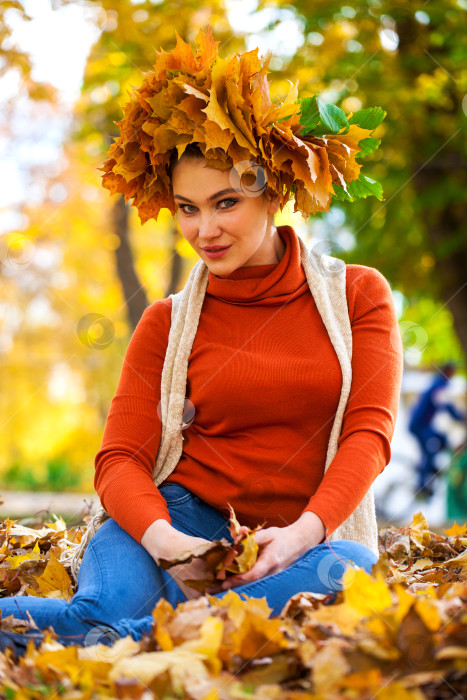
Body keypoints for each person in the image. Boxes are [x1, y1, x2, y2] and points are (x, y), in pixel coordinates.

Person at [0, 27, 403, 656]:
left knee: (350, 570)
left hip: (305, 541)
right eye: (188, 208)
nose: (204, 230)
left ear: (272, 191)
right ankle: (150, 633)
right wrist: (166, 542)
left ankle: (137, 640)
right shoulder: (166, 322)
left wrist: (298, 537)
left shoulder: (358, 296)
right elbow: (120, 460)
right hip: (178, 518)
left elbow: (369, 433)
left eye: (225, 202)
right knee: (101, 609)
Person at [408, 363, 465, 497]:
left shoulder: (438, 384)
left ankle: (429, 468)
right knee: (431, 449)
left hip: (423, 425)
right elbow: (445, 405)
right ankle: (421, 485)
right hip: (419, 426)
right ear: (447, 371)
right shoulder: (439, 385)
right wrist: (461, 417)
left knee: (442, 440)